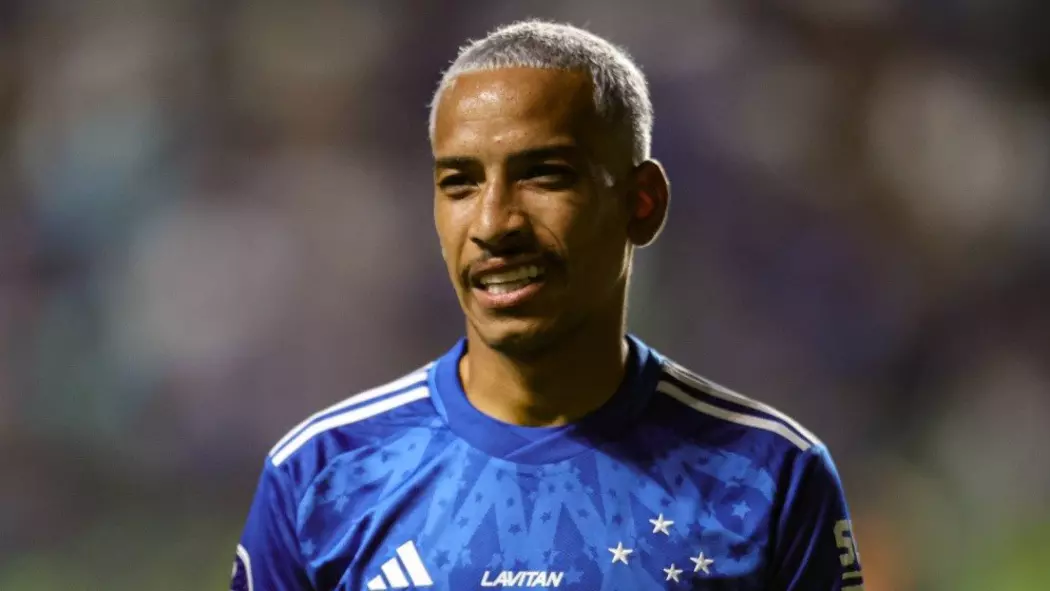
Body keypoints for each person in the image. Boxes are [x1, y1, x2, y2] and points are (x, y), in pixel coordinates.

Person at [231, 20, 864, 591]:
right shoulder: (320, 477)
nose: (493, 223)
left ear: (642, 203)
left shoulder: (770, 479)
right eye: (460, 183)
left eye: (544, 175)